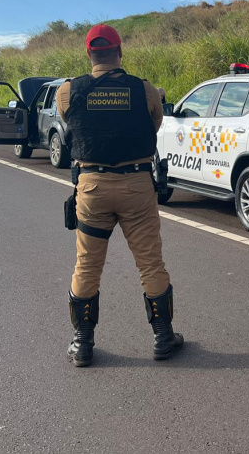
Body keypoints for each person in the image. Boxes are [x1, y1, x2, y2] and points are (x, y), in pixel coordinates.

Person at [56, 24, 183, 367]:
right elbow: (153, 125)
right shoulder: (144, 90)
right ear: (120, 51)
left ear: (89, 54)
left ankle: (82, 343)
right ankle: (163, 338)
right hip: (136, 186)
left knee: (87, 265)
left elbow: (73, 122)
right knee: (150, 263)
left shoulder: (68, 91)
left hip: (92, 188)